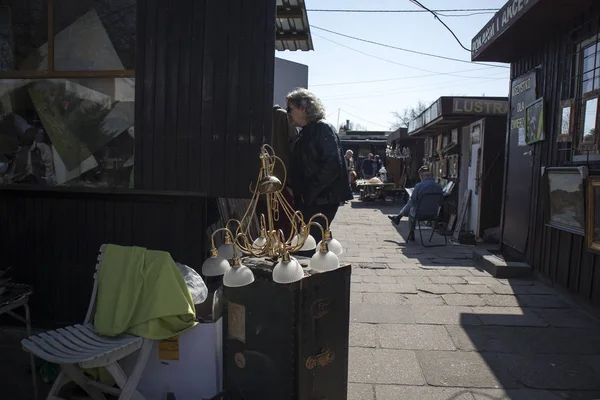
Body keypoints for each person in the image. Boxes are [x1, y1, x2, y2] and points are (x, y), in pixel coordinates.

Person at [286, 88, 352, 247]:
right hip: (314, 199)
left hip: (321, 199)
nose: (288, 113)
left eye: (290, 109)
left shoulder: (322, 128)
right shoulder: (307, 131)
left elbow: (332, 165)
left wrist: (309, 193)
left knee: (307, 246)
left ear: (302, 108)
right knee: (311, 244)